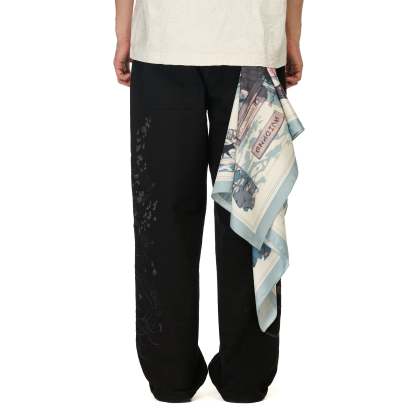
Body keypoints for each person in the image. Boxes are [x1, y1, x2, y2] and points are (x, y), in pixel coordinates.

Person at [114, 0, 304, 403]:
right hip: (252, 39)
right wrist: (291, 34)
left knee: (164, 217)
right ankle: (247, 375)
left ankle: (169, 372)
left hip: (164, 39)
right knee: (248, 213)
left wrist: (124, 31)